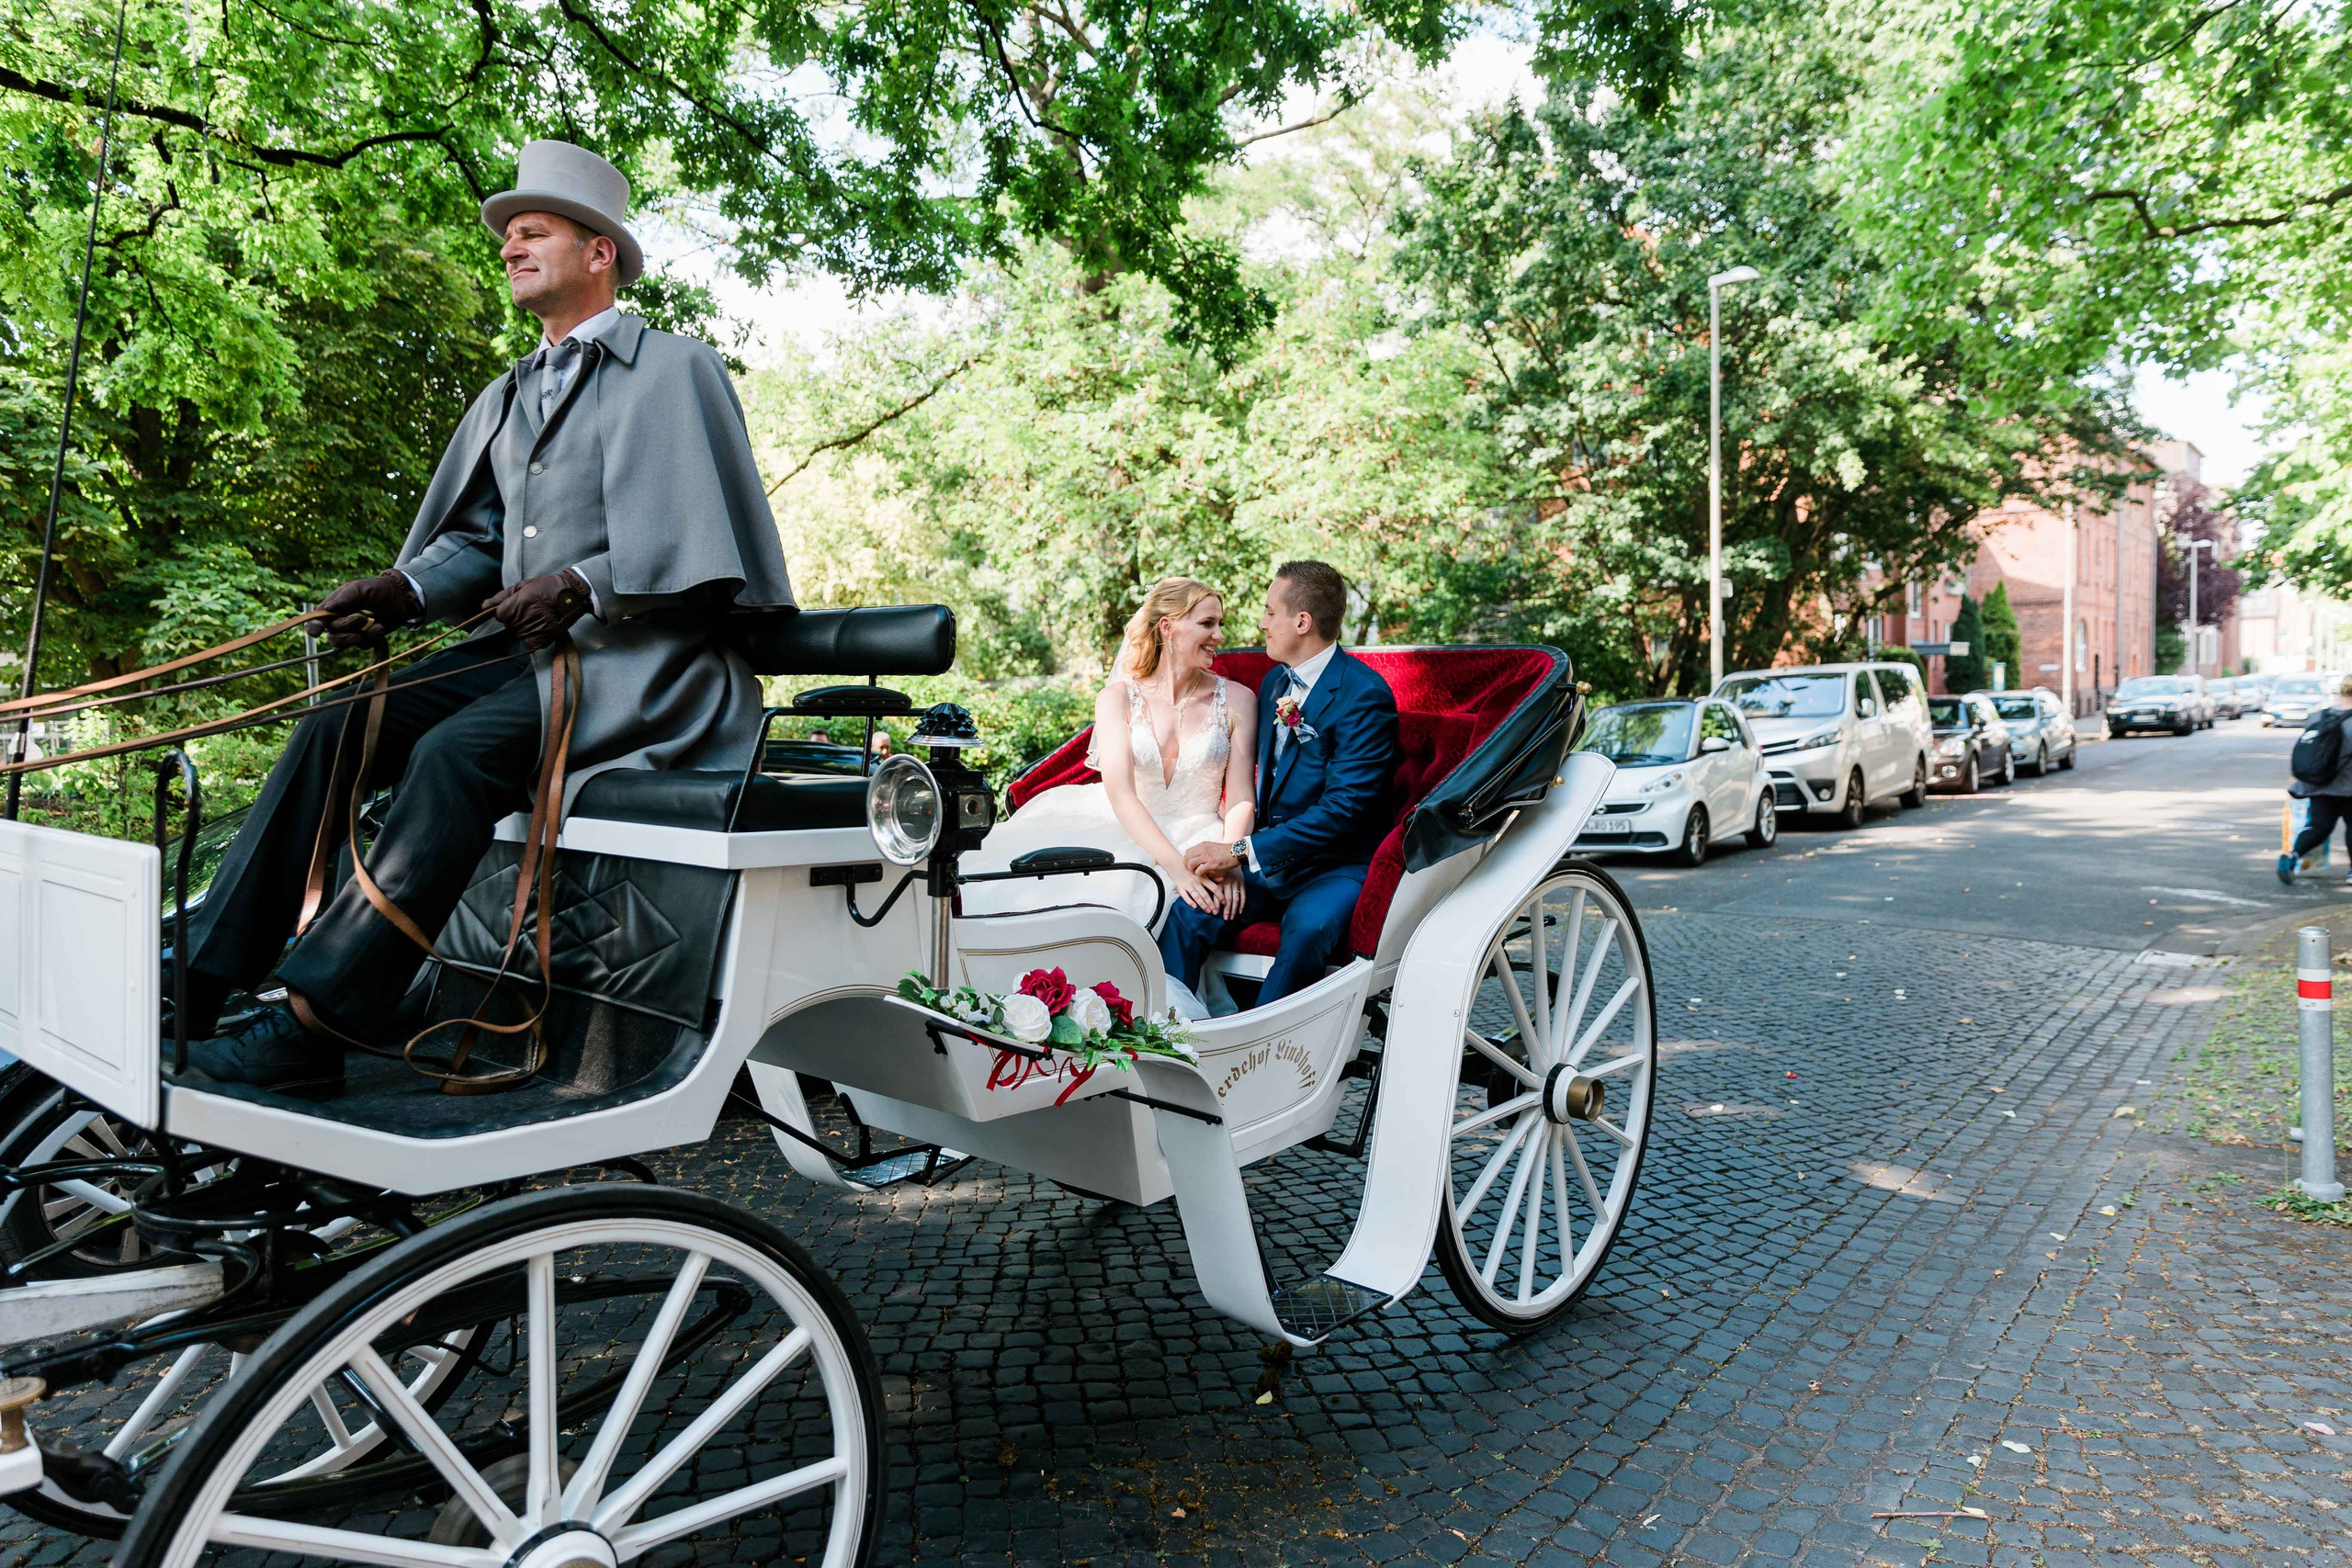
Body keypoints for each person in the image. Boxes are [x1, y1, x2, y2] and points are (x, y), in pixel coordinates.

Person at [178, 140, 794, 1092]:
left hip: (645, 670)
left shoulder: (675, 369)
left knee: (452, 755)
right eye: (508, 236)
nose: (510, 247)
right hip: (520, 658)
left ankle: (310, 1030)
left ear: (600, 253)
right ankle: (199, 982)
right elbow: (478, 542)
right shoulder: (507, 394)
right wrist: (405, 591)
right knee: (340, 722)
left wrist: (580, 584)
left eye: (533, 232)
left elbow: (705, 548)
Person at [1159, 562, 1398, 1008]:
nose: (1262, 623)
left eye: (1270, 612)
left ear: (1302, 622)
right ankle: (1169, 1029)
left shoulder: (1363, 695)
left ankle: (1264, 1045)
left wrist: (1237, 852)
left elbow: (1344, 811)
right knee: (1189, 913)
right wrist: (1240, 862)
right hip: (1271, 863)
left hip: (1336, 867)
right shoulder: (1274, 683)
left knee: (1308, 931)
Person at [961, 579, 1258, 933]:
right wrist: (1175, 868)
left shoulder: (1239, 700)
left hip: (1200, 832)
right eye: (1207, 623)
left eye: (1220, 624)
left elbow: (1241, 797)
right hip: (1127, 826)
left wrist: (1231, 857)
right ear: (1168, 627)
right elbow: (1121, 793)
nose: (1219, 635)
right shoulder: (1116, 698)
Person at [2279, 673, 2352, 884]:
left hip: (2319, 783)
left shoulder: (2318, 716)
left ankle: (2292, 856)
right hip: (2349, 785)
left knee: (2319, 827)